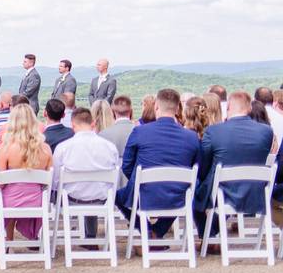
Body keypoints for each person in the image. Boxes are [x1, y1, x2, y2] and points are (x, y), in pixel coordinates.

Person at [116, 88, 201, 239]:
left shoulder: (140, 132)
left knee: (117, 197)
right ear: (176, 109)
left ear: (156, 106)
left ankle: (148, 231)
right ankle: (157, 231)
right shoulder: (191, 137)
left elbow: (127, 165)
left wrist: (139, 182)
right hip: (179, 195)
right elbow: (197, 169)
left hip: (144, 193)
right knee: (185, 192)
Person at [194, 91, 273, 237]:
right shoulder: (266, 132)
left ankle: (208, 236)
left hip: (222, 192)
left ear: (228, 107)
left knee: (195, 196)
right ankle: (210, 235)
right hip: (256, 192)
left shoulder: (214, 131)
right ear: (249, 108)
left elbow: (204, 165)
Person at [52, 107, 119, 239]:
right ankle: (90, 236)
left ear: (72, 125)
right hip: (101, 199)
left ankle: (84, 234)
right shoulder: (109, 147)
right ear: (93, 124)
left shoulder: (63, 148)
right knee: (92, 189)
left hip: (71, 199)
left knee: (62, 191)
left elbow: (55, 180)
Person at [0, 104, 53, 241]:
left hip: (9, 202)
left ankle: (1, 235)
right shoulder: (46, 149)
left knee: (2, 195)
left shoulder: (6, 149)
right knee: (18, 191)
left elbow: (1, 184)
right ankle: (32, 237)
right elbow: (48, 182)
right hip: (37, 202)